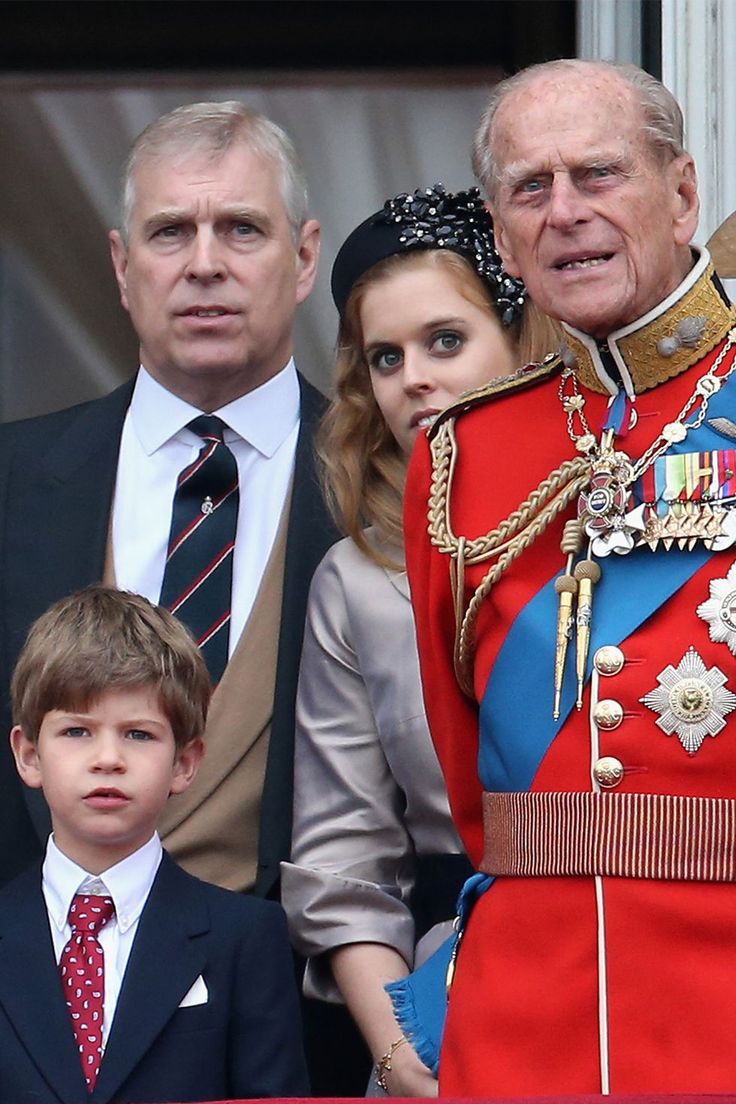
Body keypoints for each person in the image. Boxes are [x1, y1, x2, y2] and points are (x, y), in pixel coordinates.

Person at [404, 58, 736, 1096]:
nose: (565, 214)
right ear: (501, 236)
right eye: (529, 189)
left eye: (597, 175)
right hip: (521, 1024)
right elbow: (473, 790)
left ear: (680, 193)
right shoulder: (458, 455)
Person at [0, 101, 337, 905]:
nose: (205, 263)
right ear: (122, 266)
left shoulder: (395, 487)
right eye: (170, 231)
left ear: (304, 257)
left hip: (297, 1008)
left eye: (243, 229)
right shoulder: (13, 479)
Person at [282, 185, 560, 1096]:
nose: (415, 379)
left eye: (447, 341)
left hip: (642, 962)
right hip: (450, 998)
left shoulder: (630, 521)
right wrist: (404, 1060)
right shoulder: (356, 583)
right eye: (385, 358)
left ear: (525, 338)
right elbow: (343, 864)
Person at [0, 585, 308, 1103]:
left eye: (138, 735)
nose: (107, 758)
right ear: (29, 755)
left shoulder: (245, 938)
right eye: (77, 731)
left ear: (184, 763)